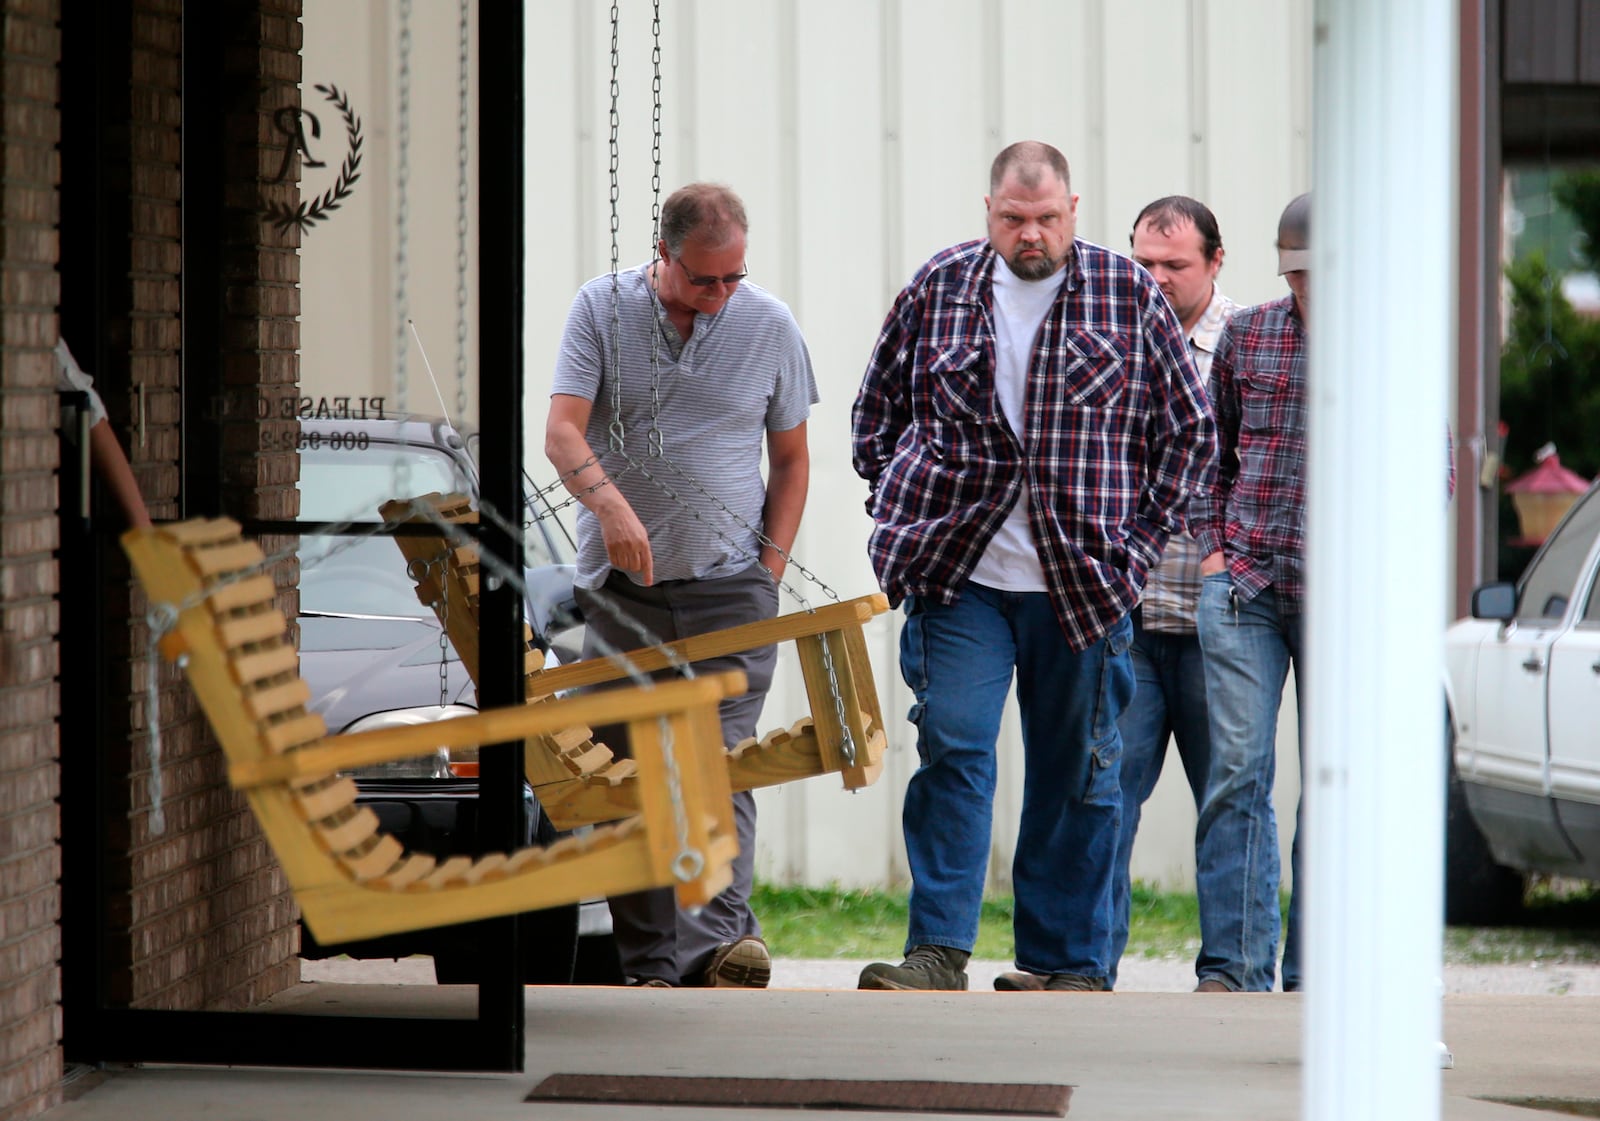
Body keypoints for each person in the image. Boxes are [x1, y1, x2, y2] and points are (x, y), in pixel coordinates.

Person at [850, 141, 1216, 993]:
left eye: (1047, 217)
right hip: (959, 575)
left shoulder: (1125, 295)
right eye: (1014, 219)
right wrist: (900, 513)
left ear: (1074, 209)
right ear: (989, 212)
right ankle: (937, 951)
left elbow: (1189, 432)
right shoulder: (939, 288)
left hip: (1081, 582)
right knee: (954, 747)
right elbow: (876, 417)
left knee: (1077, 772)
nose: (1031, 234)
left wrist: (1137, 544)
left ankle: (1066, 963)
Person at [545, 182, 817, 989]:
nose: (720, 295)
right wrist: (613, 510)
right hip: (621, 596)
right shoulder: (600, 310)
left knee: (716, 760)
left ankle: (718, 952)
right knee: (631, 777)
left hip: (731, 587)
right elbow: (562, 429)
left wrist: (768, 570)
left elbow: (794, 459)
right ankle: (653, 968)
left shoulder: (768, 325)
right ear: (662, 257)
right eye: (704, 280)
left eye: (733, 277)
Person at [1107, 197, 1238, 986]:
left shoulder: (1247, 342)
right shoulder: (1114, 337)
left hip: (1220, 617)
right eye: (1143, 264)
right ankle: (1086, 963)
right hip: (1129, 612)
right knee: (1103, 797)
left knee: (1230, 800)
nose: (1155, 280)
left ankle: (1230, 970)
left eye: (1175, 266)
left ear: (1216, 262)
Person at [1189, 192, 1312, 993]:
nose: (1309, 288)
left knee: (1336, 777)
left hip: (1349, 598)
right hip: (1246, 587)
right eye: (1297, 273)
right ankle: (1233, 970)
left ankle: (1319, 973)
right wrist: (1213, 549)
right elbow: (1213, 450)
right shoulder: (1250, 333)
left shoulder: (1397, 338)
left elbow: (1433, 471)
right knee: (1237, 769)